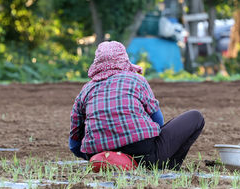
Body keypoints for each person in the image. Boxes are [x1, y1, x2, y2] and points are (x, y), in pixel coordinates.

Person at [69, 41, 204, 169]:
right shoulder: (136, 80)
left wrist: (94, 154)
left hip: (99, 155)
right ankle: (168, 166)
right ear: (124, 59)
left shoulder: (85, 90)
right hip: (143, 154)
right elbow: (158, 121)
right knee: (196, 117)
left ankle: (111, 160)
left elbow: (74, 142)